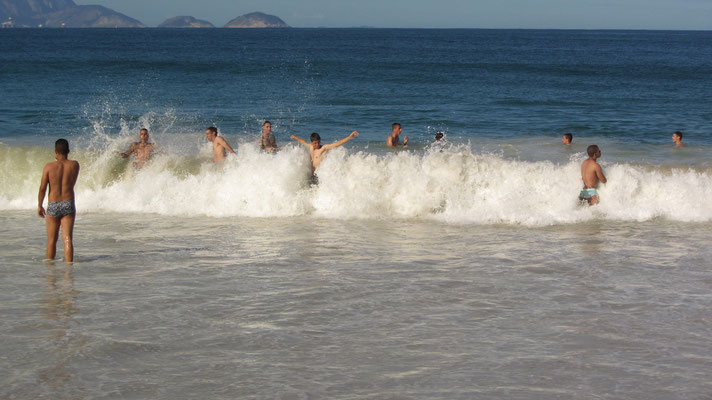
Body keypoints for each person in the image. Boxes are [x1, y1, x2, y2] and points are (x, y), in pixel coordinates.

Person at [38, 139, 80, 262]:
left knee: (51, 240)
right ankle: (69, 271)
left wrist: (40, 205)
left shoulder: (49, 166)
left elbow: (42, 188)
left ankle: (50, 272)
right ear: (68, 151)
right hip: (68, 203)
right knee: (67, 238)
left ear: (55, 151)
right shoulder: (75, 165)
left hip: (53, 204)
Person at [290, 131, 359, 183]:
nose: (317, 144)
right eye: (315, 143)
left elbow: (337, 144)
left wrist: (349, 137)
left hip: (319, 175)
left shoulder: (323, 148)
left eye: (318, 142)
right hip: (312, 174)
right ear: (311, 142)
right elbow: (303, 142)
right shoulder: (311, 147)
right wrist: (295, 137)